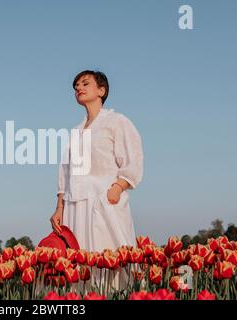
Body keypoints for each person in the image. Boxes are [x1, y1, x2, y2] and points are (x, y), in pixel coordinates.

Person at [50, 70, 144, 293]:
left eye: (85, 83)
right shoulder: (74, 132)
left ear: (101, 90)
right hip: (74, 206)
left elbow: (133, 157)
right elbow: (65, 171)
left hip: (104, 201)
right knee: (80, 268)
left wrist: (119, 186)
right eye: (75, 86)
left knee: (110, 261)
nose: (78, 88)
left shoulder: (116, 121)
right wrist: (59, 206)